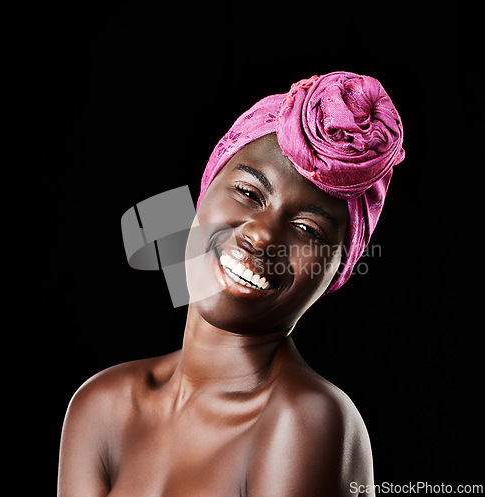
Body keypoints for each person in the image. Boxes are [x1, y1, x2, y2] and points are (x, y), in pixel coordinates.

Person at [58, 71, 404, 497]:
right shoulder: (102, 405)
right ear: (204, 191)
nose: (261, 236)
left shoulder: (303, 420)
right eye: (247, 192)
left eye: (308, 229)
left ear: (337, 271)